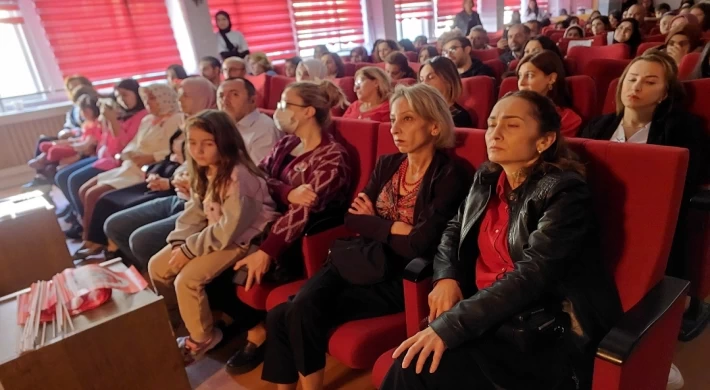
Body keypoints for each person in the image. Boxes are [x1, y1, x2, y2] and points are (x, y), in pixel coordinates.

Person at [381, 90, 623, 390]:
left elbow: (533, 275)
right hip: (485, 315)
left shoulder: (564, 192)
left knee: (413, 369)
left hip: (538, 329)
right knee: (411, 362)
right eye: (492, 123)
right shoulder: (488, 177)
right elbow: (453, 230)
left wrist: (452, 325)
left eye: (511, 125)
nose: (494, 133)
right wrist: (447, 277)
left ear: (544, 140)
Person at [262, 82, 470, 390]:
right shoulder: (389, 163)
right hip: (355, 258)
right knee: (295, 310)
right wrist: (389, 226)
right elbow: (351, 217)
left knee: (292, 311)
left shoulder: (451, 173)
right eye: (394, 119)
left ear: (435, 126)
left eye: (408, 119)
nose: (395, 128)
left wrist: (372, 221)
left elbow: (419, 243)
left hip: (397, 277)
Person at [580, 50, 708, 384]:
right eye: (632, 78)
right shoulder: (597, 126)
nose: (636, 86)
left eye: (650, 81)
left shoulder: (683, 128)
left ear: (665, 93)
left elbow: (685, 183)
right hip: (594, 222)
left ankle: (647, 356)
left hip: (654, 226)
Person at [224, 80, 353, 374]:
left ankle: (258, 336)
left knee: (223, 270)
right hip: (263, 222)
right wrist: (286, 192)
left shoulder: (333, 157)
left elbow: (303, 211)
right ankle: (252, 329)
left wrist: (267, 251)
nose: (278, 110)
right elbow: (259, 178)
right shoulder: (287, 143)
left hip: (294, 241)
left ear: (308, 111)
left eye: (285, 104)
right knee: (214, 258)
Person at [149, 109, 280, 365]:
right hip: (215, 233)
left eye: (207, 144)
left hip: (245, 238)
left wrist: (189, 250)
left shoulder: (239, 176)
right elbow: (195, 211)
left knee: (187, 279)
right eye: (193, 143)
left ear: (225, 142)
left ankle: (203, 337)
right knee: (157, 266)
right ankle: (177, 321)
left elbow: (229, 229)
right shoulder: (205, 168)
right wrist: (179, 240)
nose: (198, 150)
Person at [86, 77, 217, 264]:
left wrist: (171, 181)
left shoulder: (214, 127)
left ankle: (146, 272)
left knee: (136, 235)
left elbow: (212, 171)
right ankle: (132, 264)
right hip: (173, 183)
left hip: (192, 197)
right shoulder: (186, 122)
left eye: (185, 96)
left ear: (201, 97)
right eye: (179, 95)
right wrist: (173, 177)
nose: (180, 101)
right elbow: (182, 160)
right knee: (112, 221)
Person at [73, 84, 183, 259]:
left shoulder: (176, 118)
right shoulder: (148, 120)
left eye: (152, 98)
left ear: (164, 97)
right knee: (85, 189)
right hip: (131, 165)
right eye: (146, 99)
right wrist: (127, 153)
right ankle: (90, 239)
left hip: (148, 169)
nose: (148, 103)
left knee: (96, 194)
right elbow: (133, 142)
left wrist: (149, 157)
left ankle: (95, 242)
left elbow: (173, 149)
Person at [56, 79, 148, 239]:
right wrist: (109, 121)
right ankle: (82, 222)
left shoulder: (143, 116)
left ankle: (90, 230)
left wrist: (112, 120)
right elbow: (108, 140)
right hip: (107, 157)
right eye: (118, 96)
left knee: (76, 181)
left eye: (125, 95)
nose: (121, 100)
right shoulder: (123, 114)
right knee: (64, 177)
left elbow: (123, 146)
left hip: (119, 162)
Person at [26, 77, 96, 189]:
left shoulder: (91, 104)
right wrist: (66, 133)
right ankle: (41, 176)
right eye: (71, 88)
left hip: (82, 140)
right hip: (73, 138)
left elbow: (91, 128)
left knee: (53, 162)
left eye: (76, 86)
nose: (74, 90)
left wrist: (75, 134)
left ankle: (46, 172)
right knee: (43, 141)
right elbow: (67, 127)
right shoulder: (73, 110)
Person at [517, 50, 582, 137]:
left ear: (551, 78)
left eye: (529, 75)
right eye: (520, 76)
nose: (521, 83)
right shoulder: (509, 109)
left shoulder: (567, 119)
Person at [29, 94, 102, 171]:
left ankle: (44, 161)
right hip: (76, 141)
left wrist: (70, 144)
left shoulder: (97, 125)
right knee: (44, 145)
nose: (83, 113)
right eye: (82, 110)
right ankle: (42, 160)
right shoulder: (86, 123)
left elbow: (86, 145)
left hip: (80, 149)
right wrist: (64, 142)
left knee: (53, 151)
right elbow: (79, 137)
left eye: (85, 111)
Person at [219, 77, 283, 164]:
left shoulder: (264, 130)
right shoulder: (219, 125)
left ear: (252, 100)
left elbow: (258, 174)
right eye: (221, 96)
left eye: (234, 94)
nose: (225, 101)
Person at [418, 56, 475, 128]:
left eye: (431, 77)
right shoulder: (418, 110)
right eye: (421, 80)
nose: (424, 84)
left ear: (448, 80)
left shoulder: (460, 117)